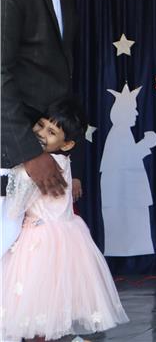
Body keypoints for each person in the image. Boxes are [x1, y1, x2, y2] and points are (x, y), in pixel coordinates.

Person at [1, 0, 103, 254]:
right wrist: (31, 154)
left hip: (46, 151)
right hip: (14, 152)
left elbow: (53, 71)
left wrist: (63, 156)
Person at [1, 96, 129, 341]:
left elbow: (15, 206)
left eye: (51, 132)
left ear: (67, 144)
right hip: (66, 239)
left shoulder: (39, 168)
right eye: (40, 125)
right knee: (49, 310)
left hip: (38, 244)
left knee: (33, 311)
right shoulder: (62, 161)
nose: (41, 133)